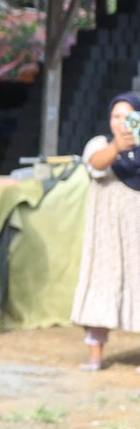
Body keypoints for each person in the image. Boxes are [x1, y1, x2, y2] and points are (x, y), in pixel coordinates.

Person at [72, 93, 140, 372]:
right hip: (106, 233)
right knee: (101, 284)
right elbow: (96, 163)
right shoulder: (99, 144)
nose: (121, 122)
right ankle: (95, 355)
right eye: (115, 116)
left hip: (136, 231)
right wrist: (116, 147)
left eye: (128, 116)